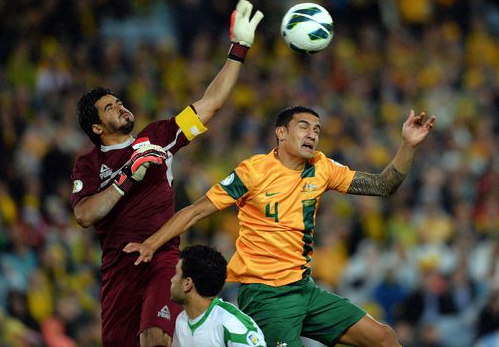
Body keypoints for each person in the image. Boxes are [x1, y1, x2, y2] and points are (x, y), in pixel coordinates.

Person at [125, 105, 435, 347]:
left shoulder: (323, 167)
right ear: (281, 133)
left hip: (304, 289)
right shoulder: (254, 171)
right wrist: (151, 243)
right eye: (304, 126)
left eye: (317, 129)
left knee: (385, 338)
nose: (312, 134)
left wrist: (408, 145)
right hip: (265, 296)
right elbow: (196, 211)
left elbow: (383, 186)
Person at [70, 0, 264, 347]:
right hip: (118, 268)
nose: (120, 106)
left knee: (155, 336)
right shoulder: (88, 163)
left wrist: (239, 48)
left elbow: (211, 104)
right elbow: (85, 215)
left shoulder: (157, 137)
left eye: (118, 101)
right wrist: (127, 177)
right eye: (109, 108)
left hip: (163, 258)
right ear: (97, 128)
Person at [170, 244, 266, 347]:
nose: (171, 279)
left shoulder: (232, 325)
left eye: (175, 274)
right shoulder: (181, 321)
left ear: (187, 284)